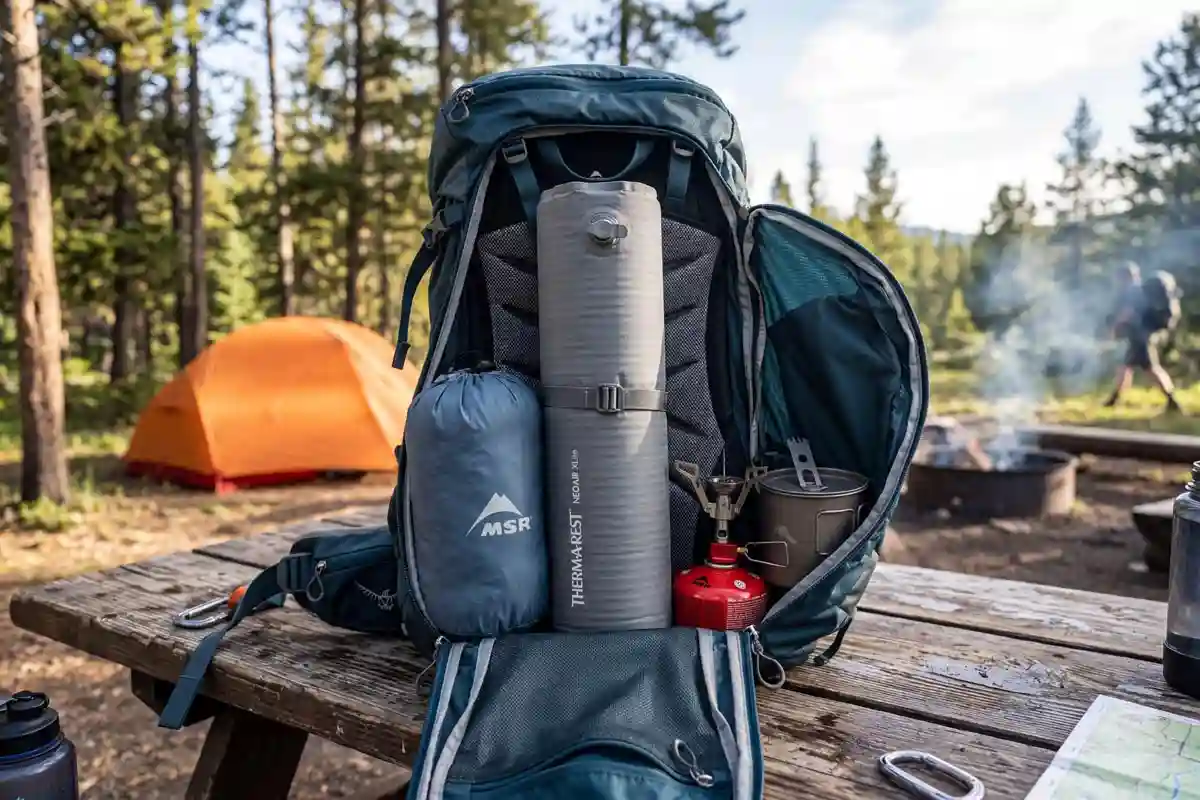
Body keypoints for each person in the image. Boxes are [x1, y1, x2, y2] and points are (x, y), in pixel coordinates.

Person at [1103, 261, 1184, 413]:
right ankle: (1114, 399)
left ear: (1124, 277)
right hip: (1140, 334)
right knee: (1126, 366)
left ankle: (1172, 400)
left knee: (1151, 368)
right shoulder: (1140, 289)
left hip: (1140, 335)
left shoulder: (1131, 291)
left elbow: (1127, 313)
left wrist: (1114, 329)